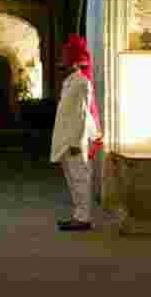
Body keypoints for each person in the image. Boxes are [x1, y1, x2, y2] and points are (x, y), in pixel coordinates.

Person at [50, 34, 104, 231]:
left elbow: (82, 114)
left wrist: (75, 142)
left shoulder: (81, 82)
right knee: (73, 179)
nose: (62, 62)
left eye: (66, 58)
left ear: (74, 62)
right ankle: (78, 215)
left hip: (75, 141)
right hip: (67, 140)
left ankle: (83, 218)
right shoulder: (71, 82)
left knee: (80, 178)